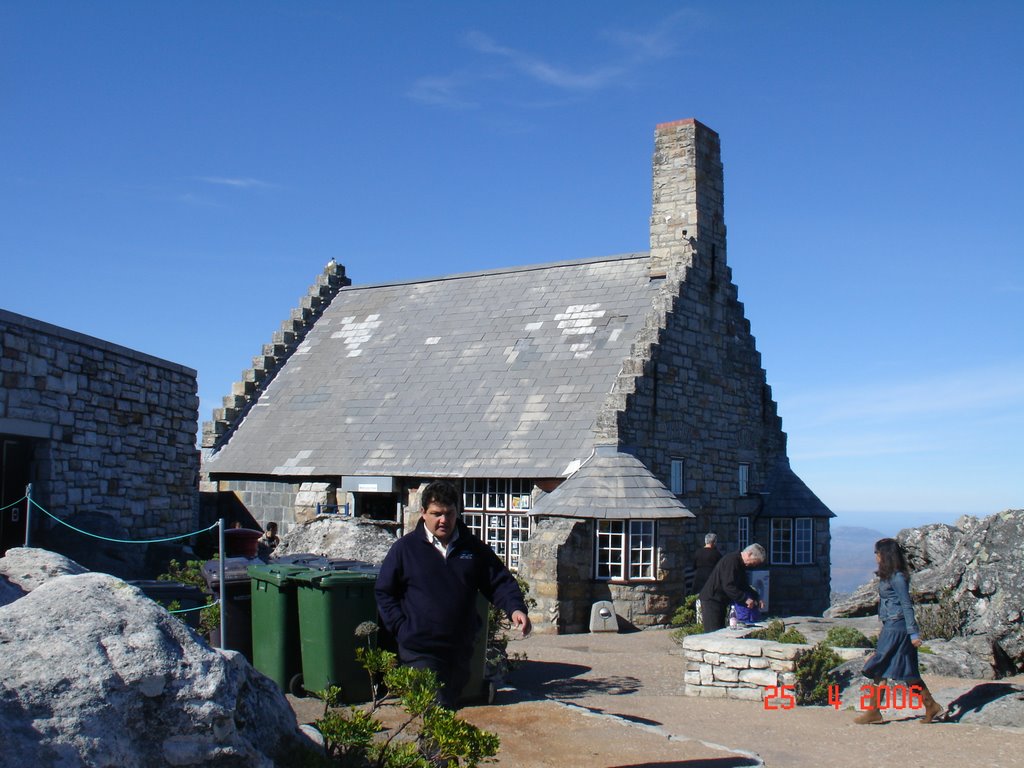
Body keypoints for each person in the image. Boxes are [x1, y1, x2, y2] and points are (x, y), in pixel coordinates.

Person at [375, 480, 532, 709]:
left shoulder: (473, 549)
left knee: (446, 712)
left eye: (449, 513)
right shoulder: (405, 549)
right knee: (435, 708)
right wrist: (401, 627)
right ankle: (433, 746)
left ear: (458, 512)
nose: (443, 520)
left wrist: (515, 609)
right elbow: (384, 592)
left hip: (459, 649)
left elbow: (499, 581)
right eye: (436, 513)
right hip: (419, 649)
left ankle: (430, 746)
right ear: (423, 513)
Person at [855, 538, 942, 724]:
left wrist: (914, 633)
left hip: (897, 627)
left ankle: (874, 711)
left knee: (880, 666)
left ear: (885, 555)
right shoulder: (889, 576)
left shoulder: (897, 578)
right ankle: (930, 705)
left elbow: (906, 604)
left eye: (877, 553)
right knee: (908, 671)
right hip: (892, 625)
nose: (876, 556)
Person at [698, 543, 765, 631]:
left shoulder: (741, 564)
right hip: (712, 600)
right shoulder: (732, 560)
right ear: (749, 554)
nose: (754, 565)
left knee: (721, 631)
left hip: (721, 601)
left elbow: (743, 585)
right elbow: (728, 586)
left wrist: (756, 597)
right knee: (713, 633)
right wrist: (745, 599)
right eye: (754, 562)